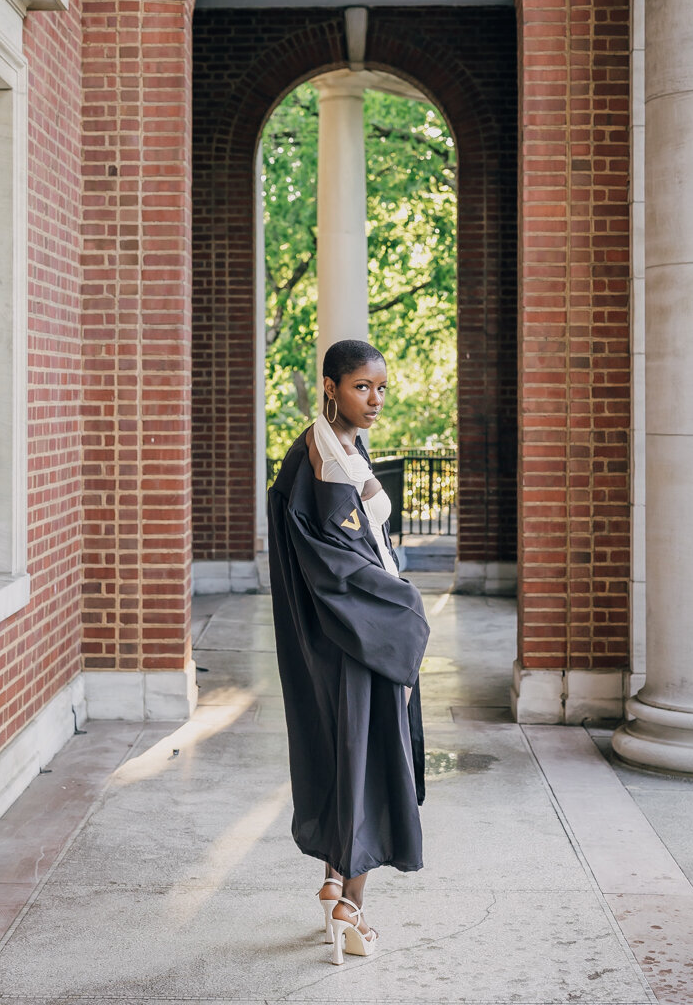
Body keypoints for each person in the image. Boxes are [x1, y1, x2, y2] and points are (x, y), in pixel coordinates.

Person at [267, 339, 430, 965]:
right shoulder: (319, 464)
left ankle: (335, 879)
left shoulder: (335, 447)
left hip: (343, 642)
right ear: (330, 386)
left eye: (382, 387)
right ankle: (351, 911)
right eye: (362, 387)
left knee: (347, 756)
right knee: (370, 764)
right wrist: (405, 609)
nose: (376, 399)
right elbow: (337, 569)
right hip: (355, 643)